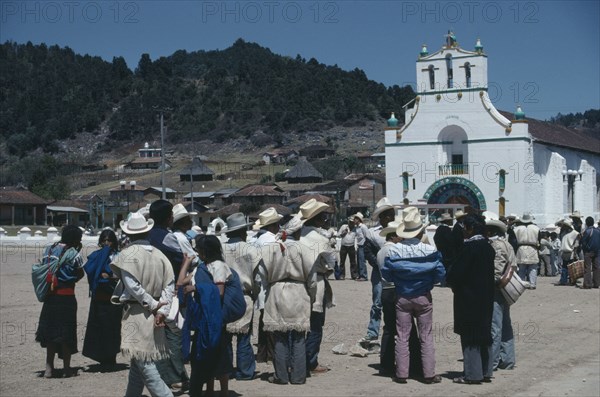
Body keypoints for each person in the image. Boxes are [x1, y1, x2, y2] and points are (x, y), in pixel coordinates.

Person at [110, 212, 175, 397]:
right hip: (156, 314)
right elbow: (169, 286)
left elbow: (132, 287)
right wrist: (162, 309)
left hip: (138, 313)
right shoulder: (160, 255)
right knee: (139, 363)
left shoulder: (127, 255)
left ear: (129, 234)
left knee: (146, 366)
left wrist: (154, 306)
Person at [381, 206, 445, 384]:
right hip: (424, 296)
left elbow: (386, 274)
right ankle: (429, 374)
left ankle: (402, 374)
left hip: (402, 297)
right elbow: (440, 273)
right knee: (426, 335)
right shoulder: (430, 250)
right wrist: (429, 283)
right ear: (420, 231)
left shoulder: (394, 250)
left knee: (402, 336)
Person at [261, 215, 318, 384]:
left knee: (280, 336)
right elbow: (312, 279)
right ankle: (299, 376)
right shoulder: (305, 249)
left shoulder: (271, 248)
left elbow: (262, 276)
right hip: (299, 292)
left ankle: (281, 375)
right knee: (299, 336)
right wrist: (312, 296)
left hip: (277, 291)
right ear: (299, 231)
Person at [446, 214, 495, 385]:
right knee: (484, 332)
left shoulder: (470, 248)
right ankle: (486, 370)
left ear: (470, 228)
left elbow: (457, 273)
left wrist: (450, 278)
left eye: (464, 228)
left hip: (469, 298)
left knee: (470, 335)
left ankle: (473, 374)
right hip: (486, 297)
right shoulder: (488, 247)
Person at [148, 200, 189, 392]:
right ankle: (177, 376)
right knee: (173, 334)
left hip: (149, 291)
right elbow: (182, 259)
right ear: (167, 217)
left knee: (157, 336)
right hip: (169, 290)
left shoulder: (147, 235)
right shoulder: (168, 237)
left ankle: (164, 376)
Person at [36, 225, 85, 379]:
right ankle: (66, 369)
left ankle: (48, 368)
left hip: (50, 296)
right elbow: (80, 273)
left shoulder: (49, 249)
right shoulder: (73, 253)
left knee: (50, 332)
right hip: (67, 296)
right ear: (76, 238)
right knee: (66, 333)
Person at [191, 235, 234, 397]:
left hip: (216, 320)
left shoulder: (219, 266)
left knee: (220, 358)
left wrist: (197, 289)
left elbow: (219, 292)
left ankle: (224, 392)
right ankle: (209, 390)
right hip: (205, 319)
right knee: (206, 356)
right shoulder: (204, 266)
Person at [222, 212, 263, 380]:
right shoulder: (251, 250)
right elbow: (258, 278)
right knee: (244, 336)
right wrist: (254, 293)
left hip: (224, 296)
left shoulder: (220, 249)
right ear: (241, 232)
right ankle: (245, 371)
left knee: (224, 336)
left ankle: (224, 369)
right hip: (244, 295)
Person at [300, 199, 336, 375]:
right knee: (315, 325)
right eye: (323, 217)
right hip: (317, 282)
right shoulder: (320, 238)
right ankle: (311, 362)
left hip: (298, 284)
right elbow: (332, 261)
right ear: (317, 219)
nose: (325, 221)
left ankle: (298, 359)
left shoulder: (296, 236)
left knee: (298, 325)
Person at [82, 229, 123, 371]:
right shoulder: (96, 256)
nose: (107, 243)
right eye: (104, 240)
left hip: (113, 299)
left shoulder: (118, 257)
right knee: (98, 328)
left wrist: (111, 277)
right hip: (99, 299)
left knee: (112, 329)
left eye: (109, 240)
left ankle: (111, 358)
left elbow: (123, 276)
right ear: (100, 241)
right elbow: (90, 271)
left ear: (114, 242)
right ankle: (101, 358)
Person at [485, 216, 516, 371]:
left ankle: (493, 360)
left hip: (496, 289)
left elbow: (496, 272)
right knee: (505, 324)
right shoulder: (507, 244)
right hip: (506, 289)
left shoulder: (496, 246)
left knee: (494, 326)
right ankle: (508, 359)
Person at [253, 208, 282, 364]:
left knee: (264, 319)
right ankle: (271, 354)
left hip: (260, 282)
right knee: (271, 320)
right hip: (268, 283)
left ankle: (262, 353)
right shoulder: (271, 241)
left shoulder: (259, 239)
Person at [375, 219, 402, 376]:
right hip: (395, 289)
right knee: (401, 328)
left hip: (385, 289)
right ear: (394, 236)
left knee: (389, 328)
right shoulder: (394, 251)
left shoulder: (381, 251)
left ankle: (385, 362)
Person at [514, 213, 540, 289]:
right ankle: (532, 284)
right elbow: (539, 241)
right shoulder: (536, 228)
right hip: (533, 248)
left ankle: (521, 284)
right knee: (533, 268)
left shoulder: (516, 229)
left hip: (521, 248)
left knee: (522, 268)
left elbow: (514, 242)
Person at [557, 219, 580, 286]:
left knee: (570, 267)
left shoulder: (574, 233)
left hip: (571, 252)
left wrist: (575, 252)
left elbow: (576, 244)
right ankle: (566, 280)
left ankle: (570, 280)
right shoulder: (564, 233)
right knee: (565, 267)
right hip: (565, 252)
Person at [581, 216, 600, 289]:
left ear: (586, 223)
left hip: (588, 252)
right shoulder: (598, 231)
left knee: (587, 268)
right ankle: (596, 283)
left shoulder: (587, 231)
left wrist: (585, 250)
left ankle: (588, 284)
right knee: (597, 267)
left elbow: (583, 242)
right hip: (597, 252)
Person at [353, 212, 369, 281]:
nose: (354, 220)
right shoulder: (357, 228)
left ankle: (364, 276)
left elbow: (367, 236)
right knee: (359, 261)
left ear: (359, 219)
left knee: (362, 261)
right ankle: (360, 275)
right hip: (359, 246)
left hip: (363, 246)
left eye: (355, 219)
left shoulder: (363, 227)